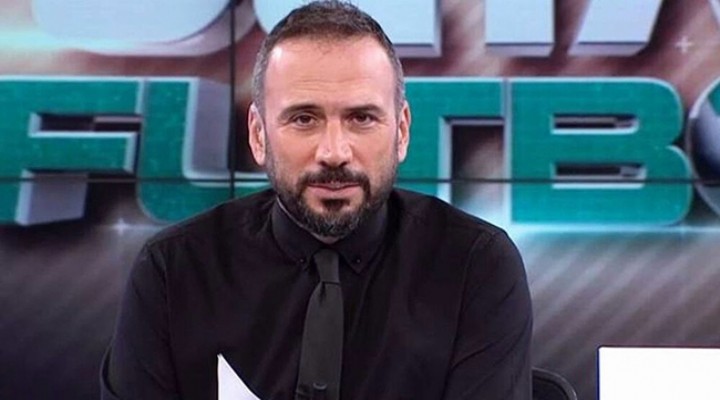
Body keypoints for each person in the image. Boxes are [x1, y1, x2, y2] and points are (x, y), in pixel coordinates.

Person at [100, 1, 532, 399]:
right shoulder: (174, 270)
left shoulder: (475, 265)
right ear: (258, 134)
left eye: (361, 118)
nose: (334, 152)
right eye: (304, 119)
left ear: (401, 131)